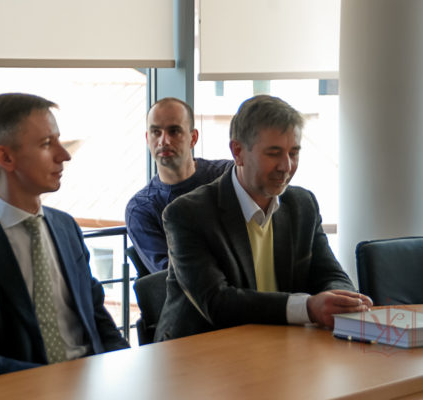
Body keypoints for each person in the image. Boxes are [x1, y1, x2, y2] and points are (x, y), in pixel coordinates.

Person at [0, 93, 129, 374]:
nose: (64, 155)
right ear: (5, 157)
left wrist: (127, 365)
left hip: (93, 379)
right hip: (24, 387)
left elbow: (96, 313)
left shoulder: (66, 228)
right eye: (47, 143)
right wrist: (51, 382)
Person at [154, 95, 372, 341]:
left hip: (280, 345)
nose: (286, 166)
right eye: (274, 153)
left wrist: (341, 301)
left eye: (294, 153)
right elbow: (218, 303)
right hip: (200, 351)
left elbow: (330, 274)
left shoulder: (303, 205)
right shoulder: (187, 214)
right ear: (238, 152)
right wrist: (309, 308)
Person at [125, 97, 232, 274]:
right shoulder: (141, 209)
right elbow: (167, 275)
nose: (164, 141)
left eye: (174, 131)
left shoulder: (227, 175)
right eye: (156, 132)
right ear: (147, 138)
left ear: (193, 138)